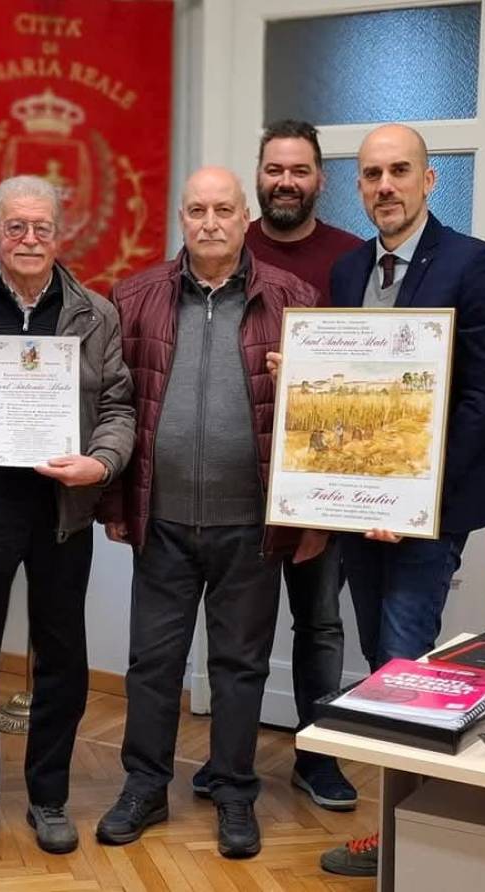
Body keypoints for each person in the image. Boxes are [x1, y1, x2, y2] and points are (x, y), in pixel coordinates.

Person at [94, 167, 321, 859]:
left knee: (240, 666)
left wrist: (308, 512)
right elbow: (115, 403)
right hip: (160, 520)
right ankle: (144, 788)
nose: (211, 222)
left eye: (224, 208)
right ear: (181, 216)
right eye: (197, 209)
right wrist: (113, 503)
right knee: (152, 663)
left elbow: (325, 420)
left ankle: (234, 792)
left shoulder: (294, 298)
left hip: (251, 524)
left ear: (245, 215)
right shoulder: (135, 296)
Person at [315, 123, 485, 877]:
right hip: (354, 508)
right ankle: (422, 826)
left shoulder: (474, 264)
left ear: (430, 180)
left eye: (400, 171)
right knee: (383, 661)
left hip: (425, 513)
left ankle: (406, 843)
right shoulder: (344, 272)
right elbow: (345, 390)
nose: (384, 187)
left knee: (404, 658)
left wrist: (413, 500)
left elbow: (482, 401)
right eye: (371, 175)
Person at [0, 175, 135, 858]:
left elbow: (119, 409)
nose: (29, 239)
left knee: (63, 656)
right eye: (15, 226)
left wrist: (100, 465)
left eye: (42, 227)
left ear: (59, 234)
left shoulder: (95, 314)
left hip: (60, 505)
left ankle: (49, 797)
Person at [195, 120, 366, 810]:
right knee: (237, 632)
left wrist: (317, 375)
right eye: (274, 169)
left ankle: (317, 756)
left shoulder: (351, 260)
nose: (285, 182)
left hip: (319, 476)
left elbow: (371, 369)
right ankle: (227, 763)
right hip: (239, 483)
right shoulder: (229, 244)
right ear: (256, 177)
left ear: (320, 179)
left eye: (299, 170)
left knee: (320, 622)